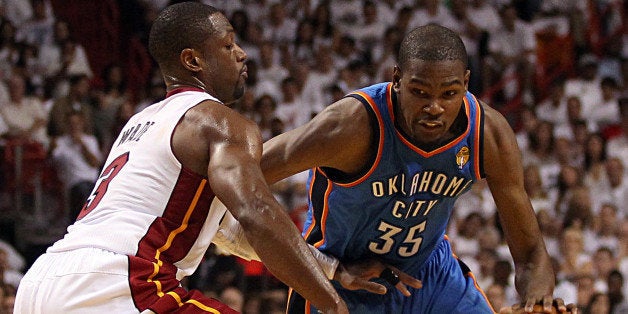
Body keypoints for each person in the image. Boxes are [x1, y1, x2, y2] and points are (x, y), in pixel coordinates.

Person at [14, 3, 347, 314]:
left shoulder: (140, 122)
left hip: (42, 283)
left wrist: (333, 270)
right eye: (228, 45)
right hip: (119, 282)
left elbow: (228, 233)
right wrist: (332, 304)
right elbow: (257, 212)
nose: (242, 54)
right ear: (193, 61)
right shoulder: (219, 121)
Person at [259, 24, 576, 313]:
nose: (434, 108)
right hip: (341, 282)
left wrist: (539, 300)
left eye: (449, 94)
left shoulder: (487, 134)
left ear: (466, 83)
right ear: (397, 80)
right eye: (420, 93)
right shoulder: (351, 126)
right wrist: (330, 268)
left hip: (429, 274)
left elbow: (531, 252)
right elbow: (241, 175)